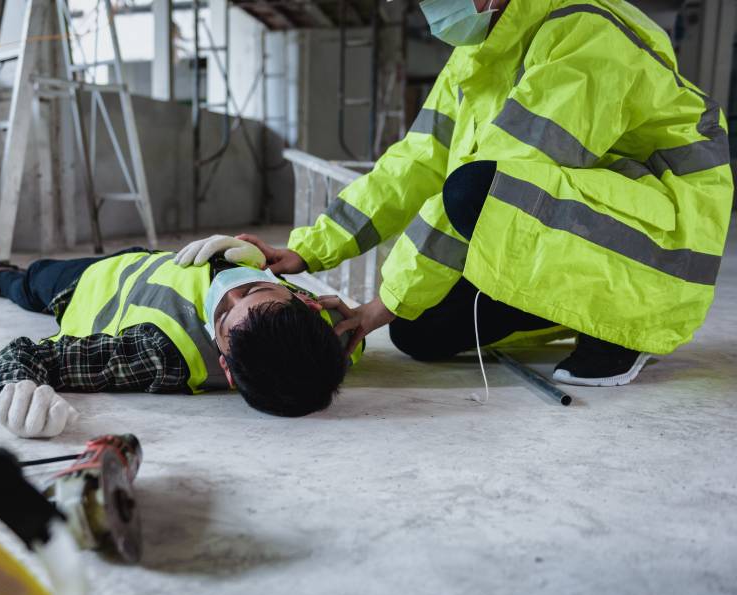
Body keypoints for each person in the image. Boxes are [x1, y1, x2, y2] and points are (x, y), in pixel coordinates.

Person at [241, 0, 733, 387]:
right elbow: (414, 163)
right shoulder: (478, 53)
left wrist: (378, 305)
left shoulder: (588, 33)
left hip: (661, 239)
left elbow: (498, 177)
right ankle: (553, 303)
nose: (430, 6)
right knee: (417, 330)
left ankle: (627, 325)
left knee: (477, 189)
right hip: (581, 219)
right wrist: (308, 251)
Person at [0, 237, 358, 436]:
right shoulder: (320, 336)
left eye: (222, 318)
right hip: (152, 255)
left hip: (87, 286)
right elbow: (343, 347)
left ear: (226, 370)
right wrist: (248, 254)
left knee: (33, 281)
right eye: (254, 289)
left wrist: (12, 385)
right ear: (308, 305)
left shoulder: (157, 356)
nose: (229, 293)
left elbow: (30, 355)